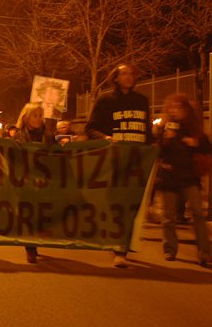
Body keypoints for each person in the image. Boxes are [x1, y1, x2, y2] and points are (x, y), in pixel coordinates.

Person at [84, 64, 152, 268]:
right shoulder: (105, 100)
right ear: (115, 78)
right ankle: (116, 242)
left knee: (130, 204)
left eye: (131, 74)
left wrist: (155, 149)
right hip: (113, 161)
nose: (129, 77)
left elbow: (147, 131)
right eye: (124, 74)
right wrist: (105, 138)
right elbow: (90, 128)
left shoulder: (142, 101)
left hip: (136, 161)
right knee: (115, 203)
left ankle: (121, 249)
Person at [154, 94, 211, 267]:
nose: (175, 110)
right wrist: (163, 139)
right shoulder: (164, 127)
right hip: (169, 177)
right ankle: (169, 249)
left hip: (189, 177)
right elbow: (158, 152)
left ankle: (204, 252)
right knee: (168, 216)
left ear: (186, 109)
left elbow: (207, 147)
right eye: (172, 107)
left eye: (179, 107)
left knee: (198, 213)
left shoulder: (194, 128)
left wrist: (195, 143)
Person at [14, 102, 55, 264]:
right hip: (26, 182)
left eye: (40, 116)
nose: (38, 119)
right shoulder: (18, 136)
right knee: (28, 215)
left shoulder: (48, 135)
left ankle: (35, 243)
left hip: (43, 182)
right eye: (34, 116)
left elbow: (56, 155)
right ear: (26, 118)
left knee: (40, 215)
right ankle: (30, 248)